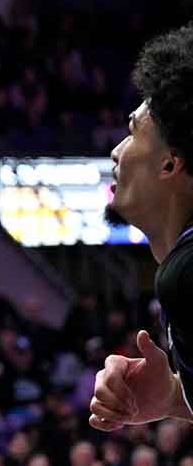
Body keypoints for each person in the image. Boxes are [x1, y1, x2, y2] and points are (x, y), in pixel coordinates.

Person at [89, 25, 193, 433]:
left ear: (170, 163)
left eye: (133, 132)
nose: (116, 151)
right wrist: (175, 396)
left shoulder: (185, 274)